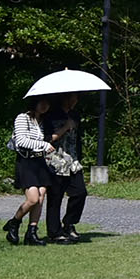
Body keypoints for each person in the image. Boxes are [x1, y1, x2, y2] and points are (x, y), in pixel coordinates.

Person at [2, 96, 55, 246]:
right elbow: (21, 141)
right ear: (35, 102)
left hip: (40, 161)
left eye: (47, 103)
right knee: (32, 198)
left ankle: (32, 232)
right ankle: (14, 222)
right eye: (42, 102)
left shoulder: (43, 122)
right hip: (26, 161)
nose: (44, 106)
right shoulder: (22, 118)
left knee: (41, 196)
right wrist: (44, 145)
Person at [42, 92, 88, 243]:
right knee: (55, 197)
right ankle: (54, 231)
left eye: (76, 98)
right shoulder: (51, 115)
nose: (75, 101)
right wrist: (65, 127)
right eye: (72, 98)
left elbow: (77, 138)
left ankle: (69, 222)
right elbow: (47, 139)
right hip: (55, 160)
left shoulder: (75, 115)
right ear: (65, 98)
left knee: (80, 192)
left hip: (73, 160)